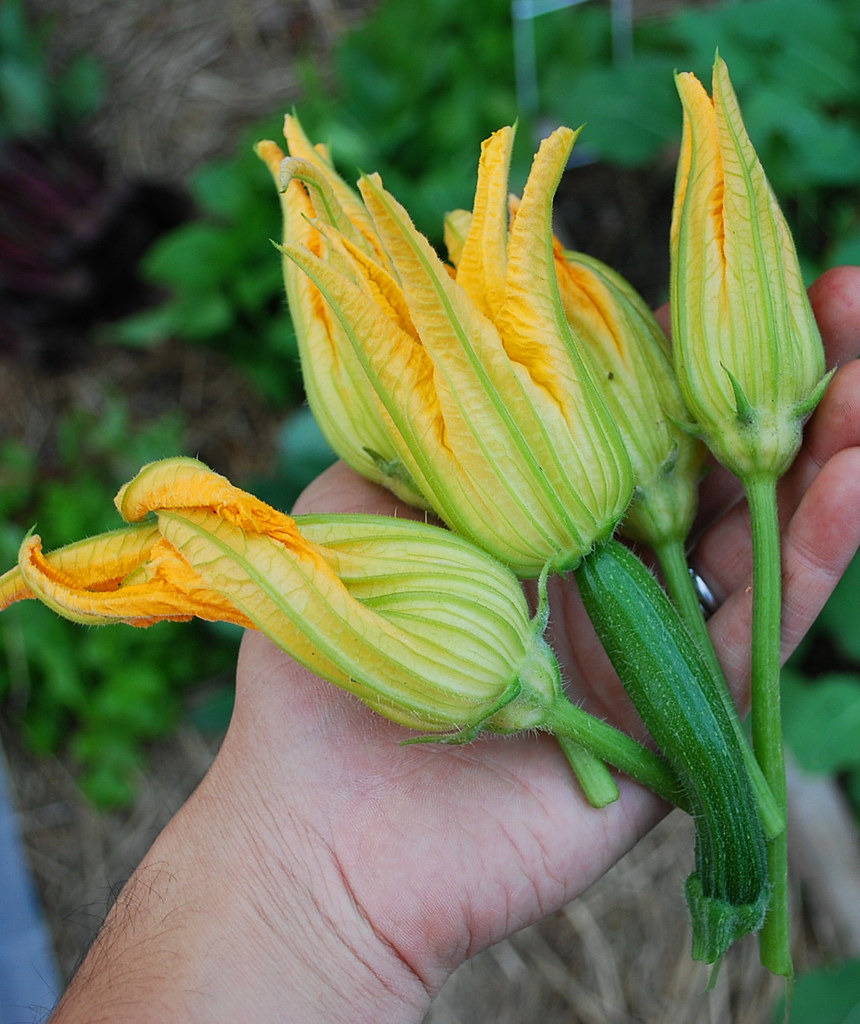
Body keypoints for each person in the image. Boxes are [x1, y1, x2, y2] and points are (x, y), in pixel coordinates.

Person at [48, 267, 860, 1023]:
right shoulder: (551, 593)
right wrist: (315, 887)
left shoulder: (574, 563)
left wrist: (314, 898)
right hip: (518, 634)